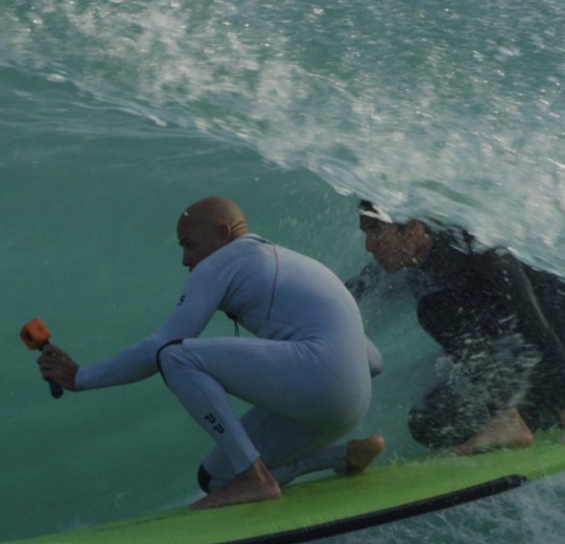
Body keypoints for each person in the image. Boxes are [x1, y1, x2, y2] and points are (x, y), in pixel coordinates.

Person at [38, 196, 386, 510]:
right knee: (216, 478)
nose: (185, 260)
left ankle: (254, 477)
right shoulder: (297, 264)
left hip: (321, 385)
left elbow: (161, 345)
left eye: (190, 245)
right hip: (350, 403)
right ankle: (345, 455)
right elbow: (374, 361)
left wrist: (80, 377)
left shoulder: (223, 261)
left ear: (222, 234)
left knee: (175, 356)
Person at [353, 199, 565, 455]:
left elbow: (538, 328)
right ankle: (559, 413)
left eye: (376, 231)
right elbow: (355, 289)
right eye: (366, 233)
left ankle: (513, 418)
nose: (369, 246)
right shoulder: (409, 260)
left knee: (433, 310)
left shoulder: (476, 252)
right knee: (428, 422)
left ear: (414, 229)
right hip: (537, 364)